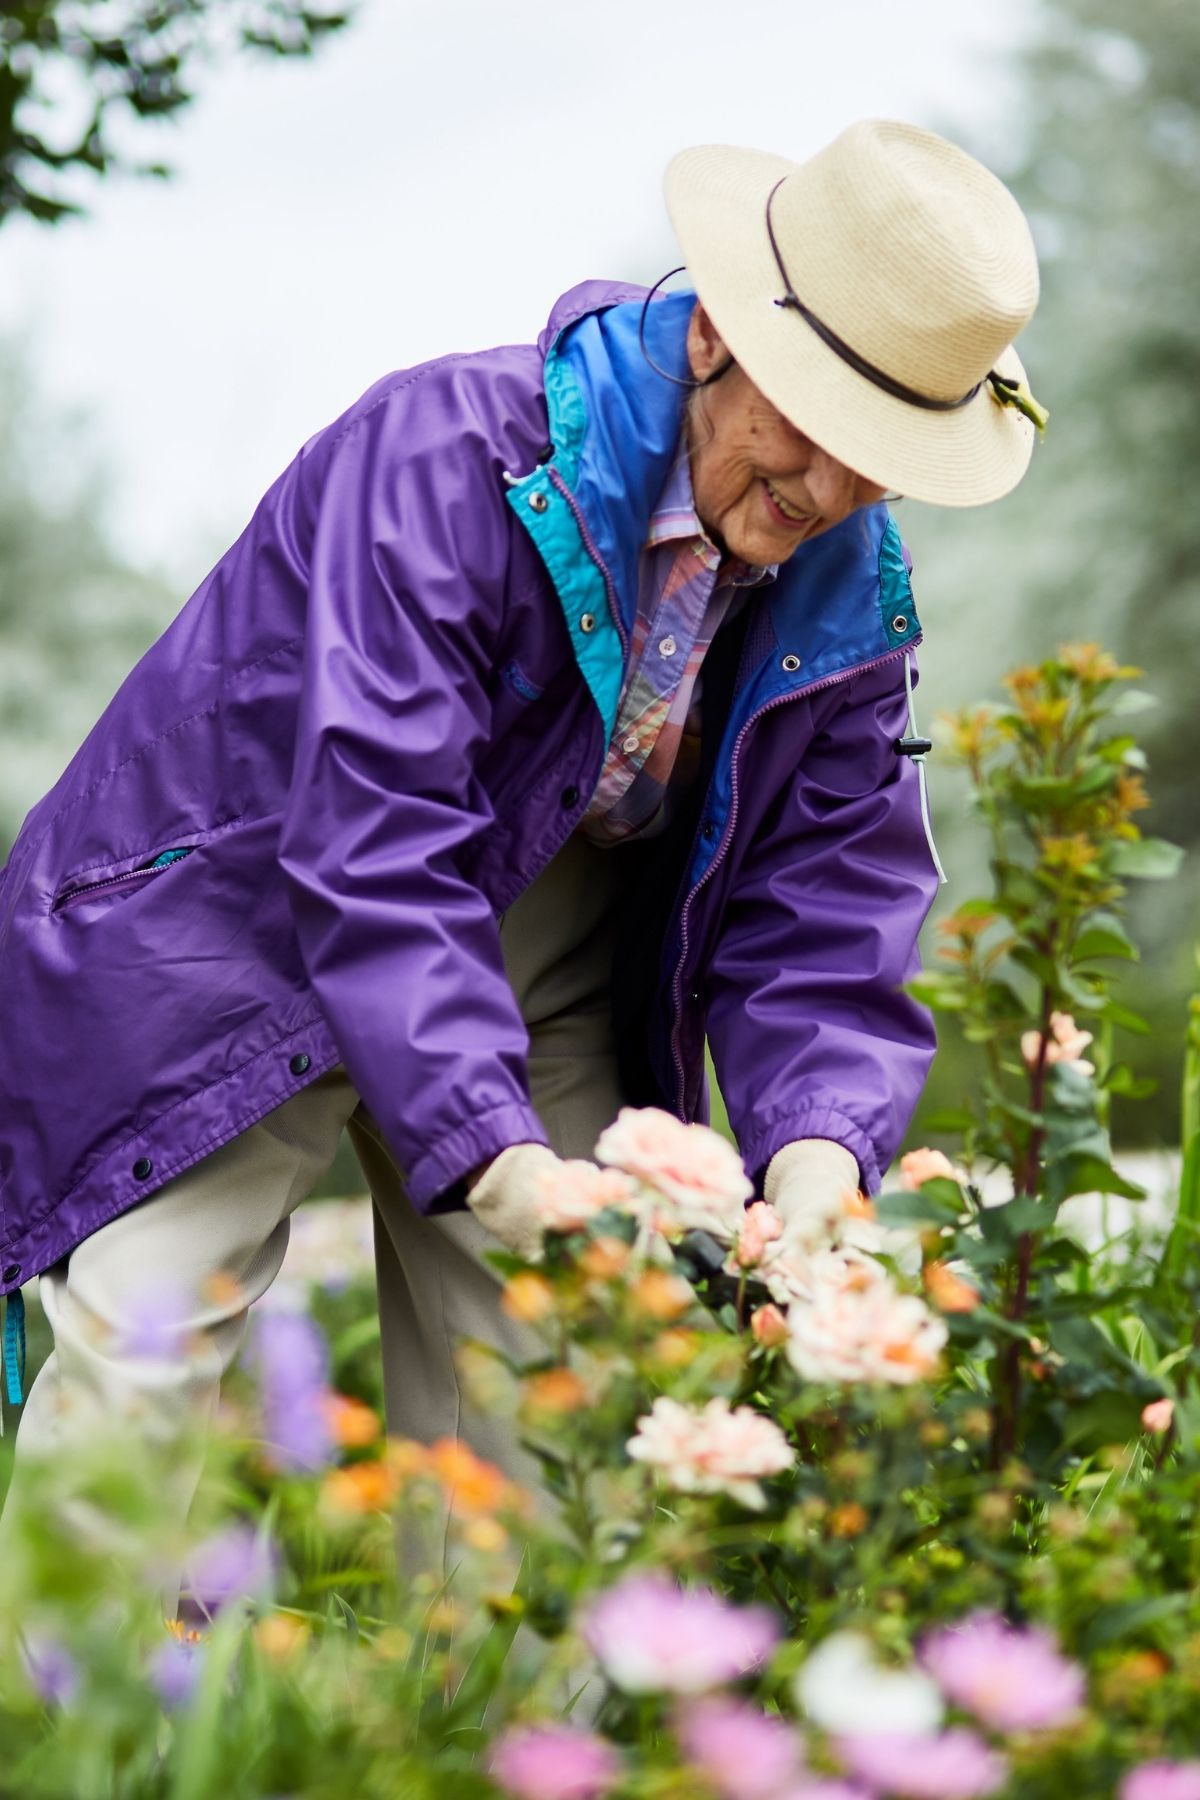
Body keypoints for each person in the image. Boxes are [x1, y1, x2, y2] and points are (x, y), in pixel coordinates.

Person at [0, 120, 1042, 1521]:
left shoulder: (848, 579)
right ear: (717, 338)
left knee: (560, 1393)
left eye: (884, 457)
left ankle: (486, 1740)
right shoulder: (440, 456)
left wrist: (815, 1153)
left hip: (543, 952)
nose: (835, 493)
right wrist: (492, 1158)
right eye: (819, 428)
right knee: (143, 1343)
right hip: (244, 921)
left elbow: (828, 905)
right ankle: (73, 1731)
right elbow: (376, 831)